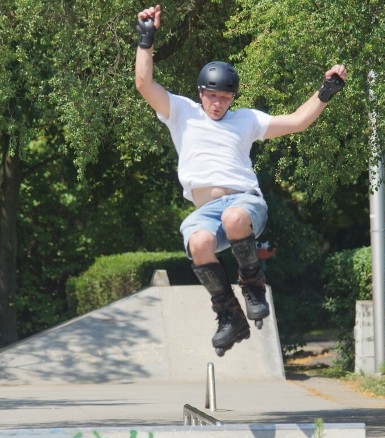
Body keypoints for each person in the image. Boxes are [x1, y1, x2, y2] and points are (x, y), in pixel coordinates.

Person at [134, 5, 347, 356]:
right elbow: (144, 83)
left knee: (234, 218)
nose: (217, 104)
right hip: (206, 212)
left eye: (224, 98)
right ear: (200, 92)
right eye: (211, 96)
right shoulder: (180, 112)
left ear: (233, 98)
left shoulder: (246, 120)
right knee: (199, 242)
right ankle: (230, 315)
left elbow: (296, 121)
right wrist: (146, 39)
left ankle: (252, 285)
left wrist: (326, 91)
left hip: (244, 203)